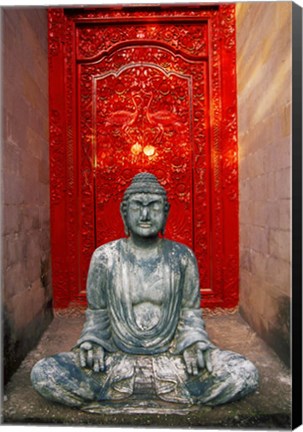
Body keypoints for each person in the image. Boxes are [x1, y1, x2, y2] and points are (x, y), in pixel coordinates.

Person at [31, 172, 258, 410]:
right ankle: (169, 397)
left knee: (244, 372)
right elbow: (97, 315)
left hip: (171, 361)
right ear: (124, 212)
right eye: (138, 206)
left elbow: (190, 314)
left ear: (166, 212)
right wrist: (93, 343)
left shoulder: (182, 257)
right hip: (117, 360)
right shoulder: (105, 258)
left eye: (154, 207)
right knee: (45, 373)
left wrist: (193, 344)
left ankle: (119, 397)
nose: (146, 215)